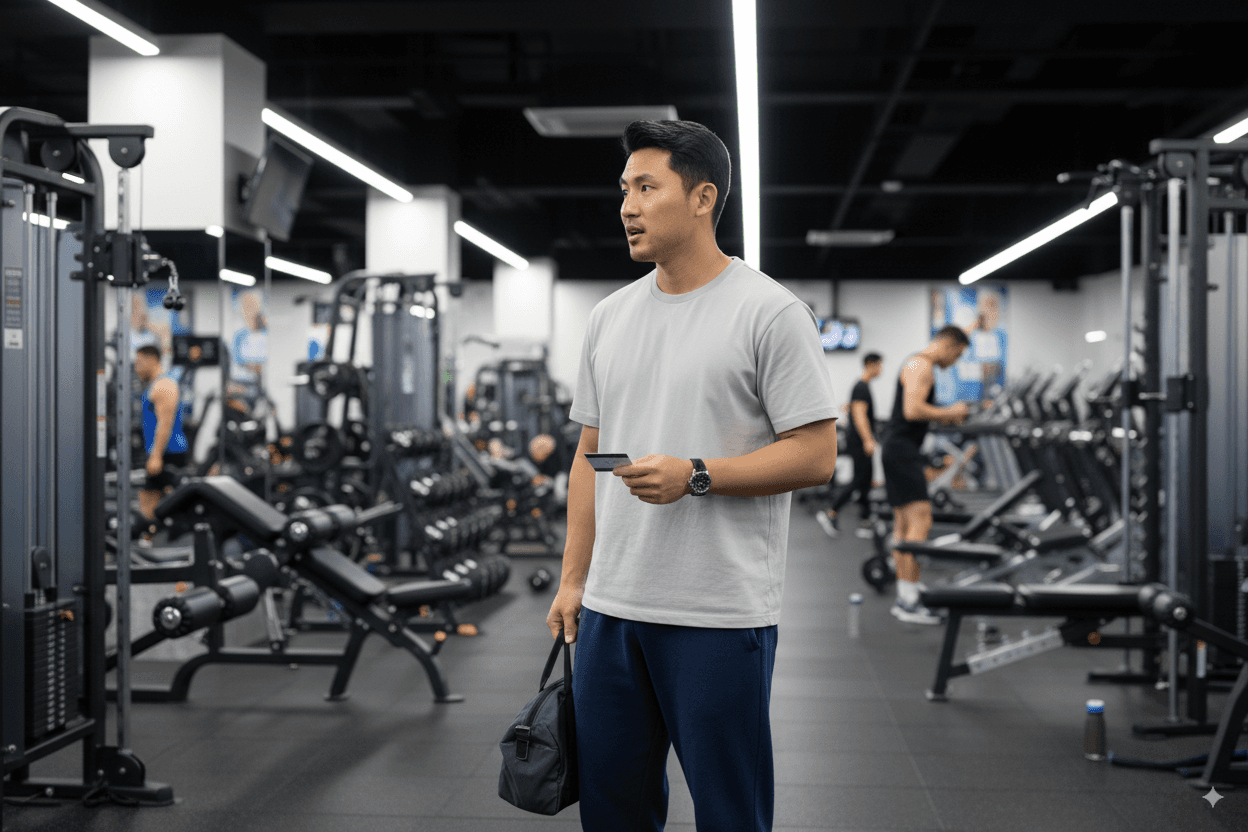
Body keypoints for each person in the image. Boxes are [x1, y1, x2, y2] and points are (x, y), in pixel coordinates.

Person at [547, 119, 838, 832]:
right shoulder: (609, 317)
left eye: (648, 187)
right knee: (613, 813)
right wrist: (573, 578)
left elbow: (816, 454)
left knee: (730, 814)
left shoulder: (769, 312)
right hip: (613, 613)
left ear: (703, 197)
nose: (627, 206)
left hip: (717, 614)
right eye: (624, 189)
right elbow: (589, 459)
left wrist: (697, 474)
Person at [880, 326, 971, 624]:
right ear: (947, 345)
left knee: (904, 524)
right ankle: (908, 601)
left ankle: (907, 592)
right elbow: (913, 410)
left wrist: (947, 413)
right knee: (920, 520)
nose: (955, 362)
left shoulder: (918, 362)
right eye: (956, 354)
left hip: (899, 449)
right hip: (902, 450)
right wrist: (950, 411)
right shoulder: (922, 365)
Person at [817, 352, 883, 537]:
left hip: (859, 440)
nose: (881, 370)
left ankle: (864, 521)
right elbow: (860, 415)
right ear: (871, 364)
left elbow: (853, 409)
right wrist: (868, 440)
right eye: (879, 365)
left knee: (864, 480)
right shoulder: (861, 387)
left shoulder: (862, 387)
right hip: (860, 442)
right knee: (860, 479)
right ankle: (831, 512)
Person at [134, 344, 191, 520]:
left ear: (152, 360)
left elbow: (165, 423)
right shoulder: (157, 384)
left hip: (168, 453)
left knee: (151, 502)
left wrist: (156, 456)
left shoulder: (163, 385)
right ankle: (150, 536)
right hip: (163, 451)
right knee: (149, 500)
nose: (136, 368)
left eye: (139, 362)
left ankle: (150, 538)